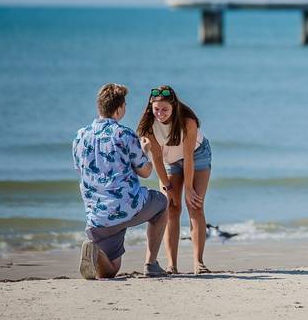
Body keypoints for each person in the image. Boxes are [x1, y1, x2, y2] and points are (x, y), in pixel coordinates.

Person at [72, 83, 168, 279]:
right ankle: (151, 264)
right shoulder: (124, 134)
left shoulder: (80, 136)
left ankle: (95, 252)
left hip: (97, 217)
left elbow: (80, 169)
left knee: (111, 270)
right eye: (125, 105)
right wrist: (147, 151)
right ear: (118, 109)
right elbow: (146, 172)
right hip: (126, 208)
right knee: (162, 203)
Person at [136, 85, 212, 275]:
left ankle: (199, 263)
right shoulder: (148, 127)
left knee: (195, 204)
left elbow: (188, 158)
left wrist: (189, 188)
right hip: (169, 160)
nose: (160, 113)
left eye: (165, 109)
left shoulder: (188, 122)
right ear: (150, 107)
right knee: (171, 208)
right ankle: (172, 265)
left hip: (197, 156)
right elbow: (157, 160)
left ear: (174, 107)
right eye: (156, 109)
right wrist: (168, 187)